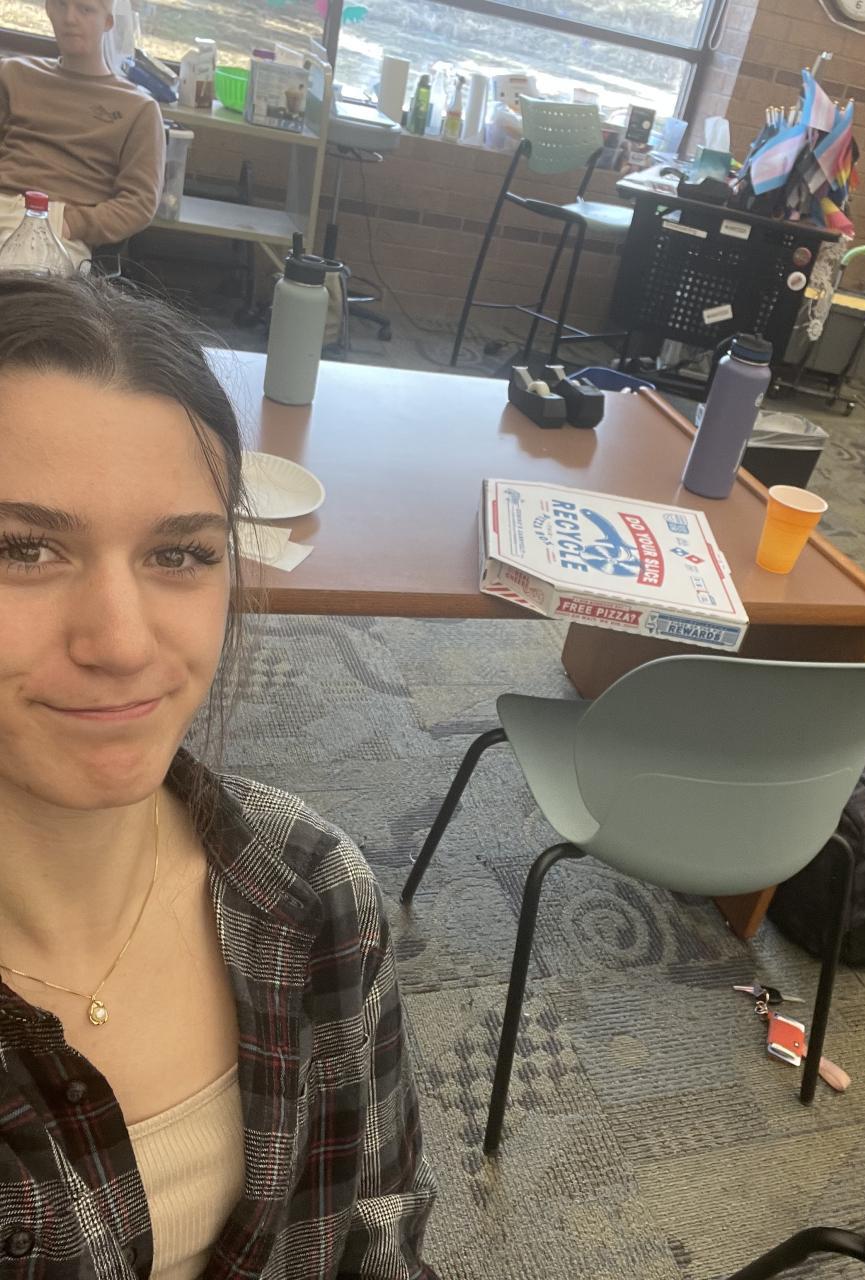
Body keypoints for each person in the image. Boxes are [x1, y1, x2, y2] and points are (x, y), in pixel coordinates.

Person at [0, 274, 439, 1280]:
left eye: (179, 554)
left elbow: (375, 1229)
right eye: (23, 548)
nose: (122, 642)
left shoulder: (311, 884)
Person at [0, 0, 164, 270]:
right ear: (48, 10)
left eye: (85, 9)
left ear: (107, 22)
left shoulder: (138, 108)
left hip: (56, 224)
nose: (70, 18)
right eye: (61, 5)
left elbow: (140, 203)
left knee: (17, 278)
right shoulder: (12, 75)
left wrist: (71, 224)